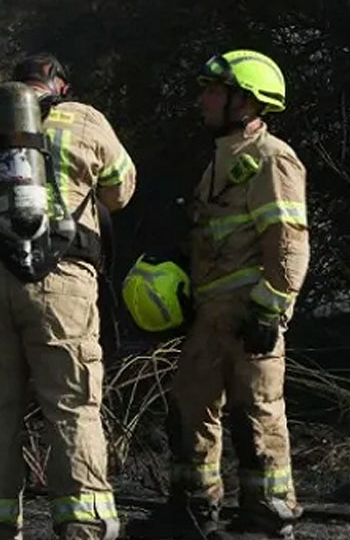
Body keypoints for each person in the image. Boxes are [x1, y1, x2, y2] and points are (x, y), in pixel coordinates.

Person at [0, 54, 137, 540]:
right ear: (60, 88)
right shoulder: (86, 119)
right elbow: (120, 190)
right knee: (72, 404)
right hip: (61, 279)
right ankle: (83, 524)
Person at [126, 50, 309, 540]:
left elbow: (288, 243)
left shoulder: (272, 158)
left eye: (213, 91)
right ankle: (192, 510)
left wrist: (270, 308)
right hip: (209, 315)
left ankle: (268, 515)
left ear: (244, 101)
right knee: (190, 407)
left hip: (250, 313)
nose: (202, 100)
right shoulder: (221, 160)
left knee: (257, 413)